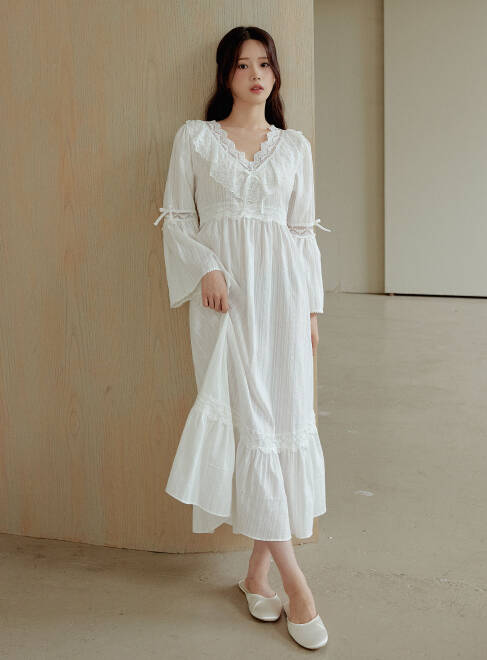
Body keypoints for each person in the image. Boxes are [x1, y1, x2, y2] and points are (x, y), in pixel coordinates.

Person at [153, 26, 332, 650]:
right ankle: (297, 585)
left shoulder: (294, 147)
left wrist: (311, 313)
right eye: (241, 65)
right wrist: (206, 266)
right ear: (225, 75)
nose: (255, 75)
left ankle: (257, 574)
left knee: (277, 425)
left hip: (284, 307)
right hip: (225, 305)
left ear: (275, 74)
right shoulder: (195, 139)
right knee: (251, 423)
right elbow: (177, 218)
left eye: (264, 64)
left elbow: (302, 234)